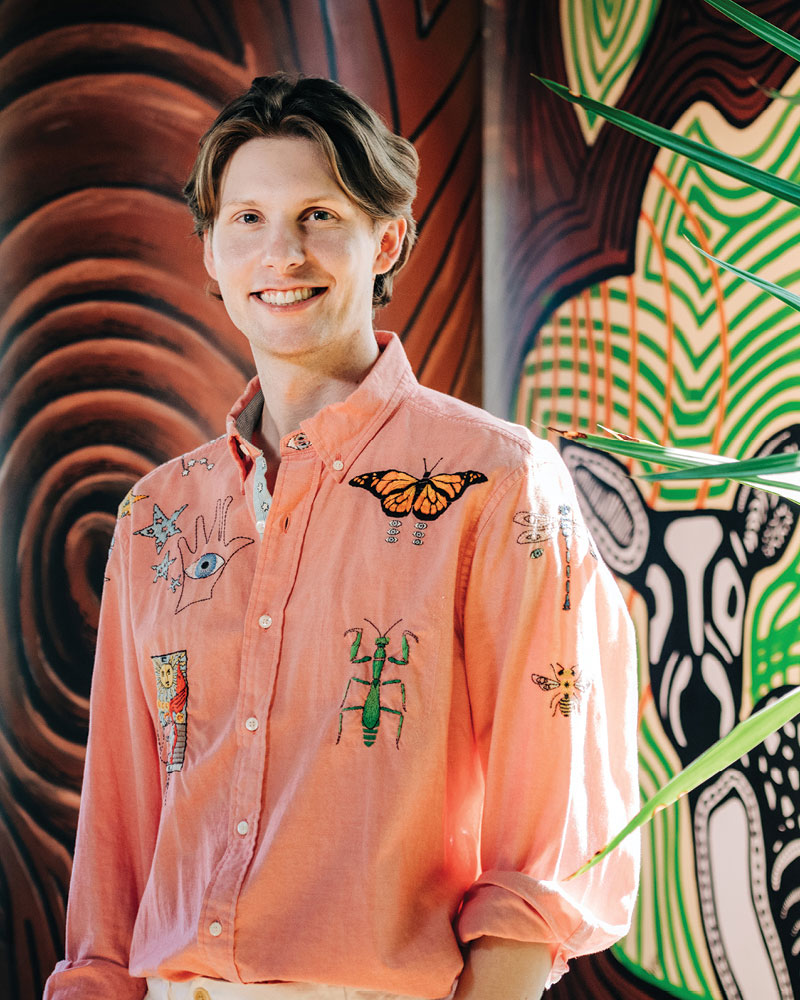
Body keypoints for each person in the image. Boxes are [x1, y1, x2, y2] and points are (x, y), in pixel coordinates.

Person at [44, 73, 639, 1000]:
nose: (282, 253)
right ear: (209, 253)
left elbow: (551, 834)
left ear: (387, 238)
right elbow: (117, 839)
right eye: (247, 219)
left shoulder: (502, 483)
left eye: (320, 215)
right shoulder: (156, 517)